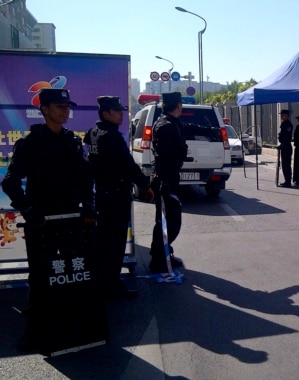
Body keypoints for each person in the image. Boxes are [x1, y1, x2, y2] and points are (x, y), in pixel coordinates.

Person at [2, 88, 96, 351]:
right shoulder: (30, 144)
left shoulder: (72, 141)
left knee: (72, 273)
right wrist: (28, 210)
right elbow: (10, 182)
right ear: (44, 109)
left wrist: (88, 203)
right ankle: (34, 332)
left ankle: (71, 326)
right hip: (42, 223)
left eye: (67, 106)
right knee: (41, 279)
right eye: (59, 106)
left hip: (71, 221)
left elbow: (85, 177)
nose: (65, 110)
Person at [84, 96, 154, 299]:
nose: (121, 114)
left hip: (102, 196)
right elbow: (129, 165)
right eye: (117, 111)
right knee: (115, 245)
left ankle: (102, 283)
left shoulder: (93, 134)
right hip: (116, 197)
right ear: (106, 114)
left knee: (103, 242)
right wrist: (145, 185)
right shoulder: (112, 137)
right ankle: (112, 287)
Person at [148, 92, 188, 273]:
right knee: (168, 222)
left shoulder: (173, 123)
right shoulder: (165, 126)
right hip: (165, 180)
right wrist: (164, 182)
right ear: (178, 105)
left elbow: (190, 128)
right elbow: (164, 157)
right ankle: (158, 259)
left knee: (168, 221)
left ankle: (164, 254)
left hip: (171, 178)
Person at [278, 109, 293, 187]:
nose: (281, 116)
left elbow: (286, 137)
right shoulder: (284, 124)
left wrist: (283, 143)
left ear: (286, 115)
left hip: (286, 146)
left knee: (286, 164)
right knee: (284, 164)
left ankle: (288, 181)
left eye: (282, 115)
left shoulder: (288, 124)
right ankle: (286, 180)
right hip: (284, 146)